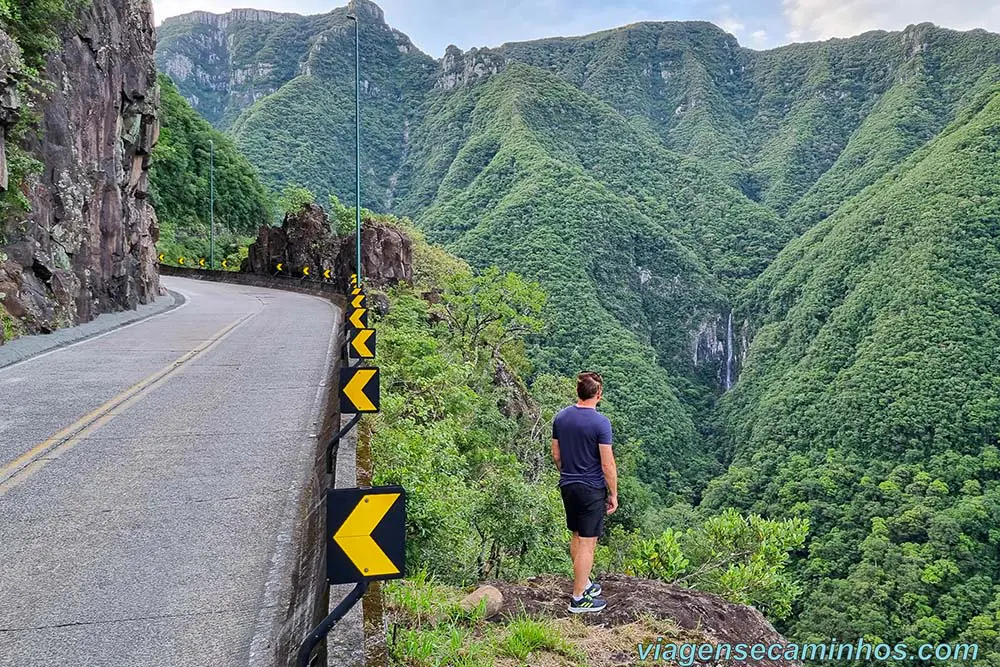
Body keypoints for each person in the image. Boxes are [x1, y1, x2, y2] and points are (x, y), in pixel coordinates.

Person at [551, 371, 618, 613]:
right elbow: (607, 464)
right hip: (591, 488)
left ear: (577, 391)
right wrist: (613, 493)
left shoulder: (561, 418)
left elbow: (556, 454)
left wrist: (568, 473)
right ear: (598, 394)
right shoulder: (601, 423)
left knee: (577, 535)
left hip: (568, 485)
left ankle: (584, 583)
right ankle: (579, 598)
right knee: (588, 543)